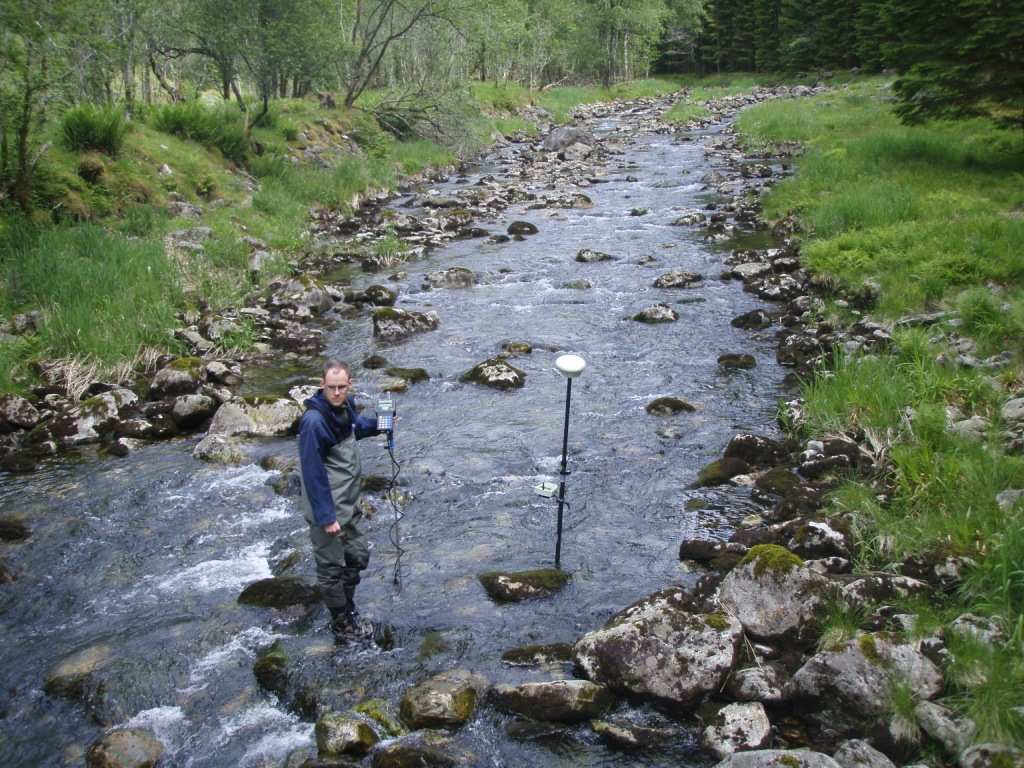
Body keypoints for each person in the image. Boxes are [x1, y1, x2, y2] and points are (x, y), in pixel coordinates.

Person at [297, 359, 382, 640]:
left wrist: (383, 423)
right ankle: (341, 622)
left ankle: (348, 607)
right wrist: (326, 516)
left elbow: (357, 427)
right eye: (331, 388)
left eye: (341, 387)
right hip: (328, 509)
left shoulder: (345, 407)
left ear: (349, 384)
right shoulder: (313, 422)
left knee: (357, 556)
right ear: (322, 385)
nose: (336, 393)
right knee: (331, 567)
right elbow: (312, 472)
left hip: (347, 503)